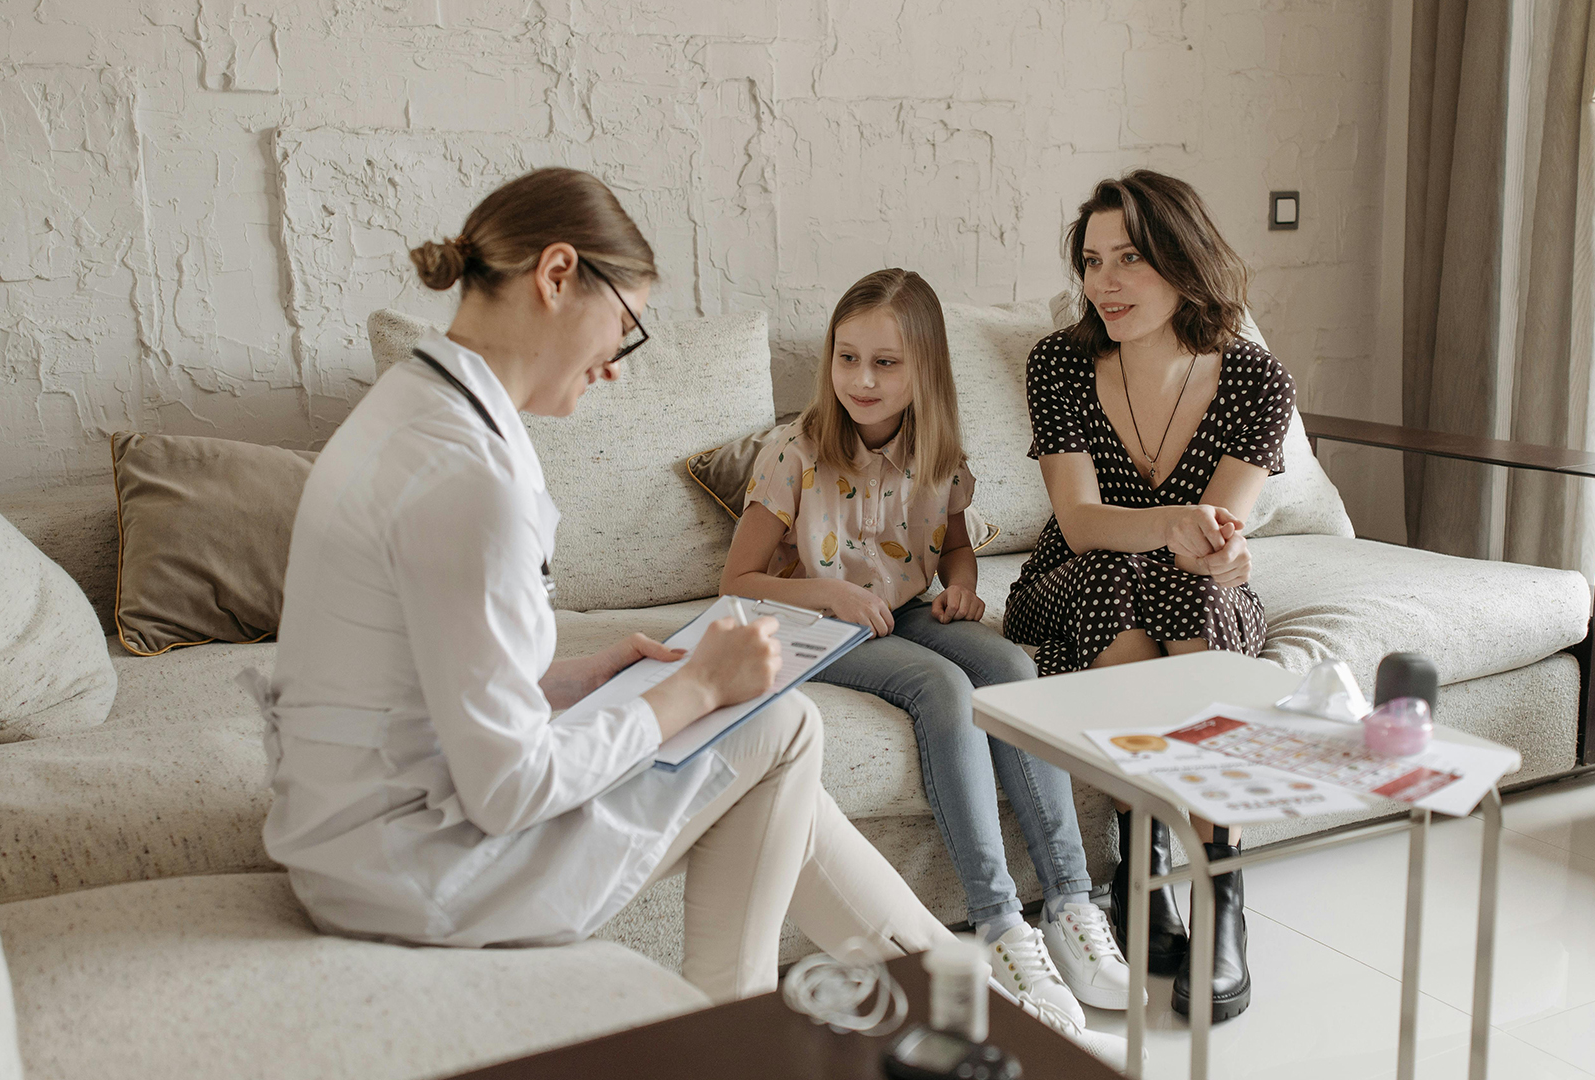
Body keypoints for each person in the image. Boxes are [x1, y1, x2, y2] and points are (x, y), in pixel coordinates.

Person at [246, 168, 960, 1005]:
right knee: (781, 724)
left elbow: (417, 680)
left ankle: (954, 988)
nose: (618, 368)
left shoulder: (410, 407)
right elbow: (511, 788)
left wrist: (575, 681)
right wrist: (693, 689)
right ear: (556, 276)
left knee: (764, 750)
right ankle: (760, 1027)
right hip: (423, 872)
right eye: (624, 327)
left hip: (360, 841)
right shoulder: (468, 479)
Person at [720, 269, 1135, 1025]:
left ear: (926, 369)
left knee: (1010, 665)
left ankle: (1072, 906)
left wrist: (963, 589)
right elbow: (738, 581)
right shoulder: (793, 452)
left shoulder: (937, 451)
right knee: (942, 688)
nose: (862, 380)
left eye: (886, 363)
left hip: (905, 610)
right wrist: (832, 594)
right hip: (815, 623)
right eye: (848, 358)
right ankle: (999, 921)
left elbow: (954, 550)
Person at [1002, 170, 1296, 1023]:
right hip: (1072, 582)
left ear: (1183, 258)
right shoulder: (1059, 363)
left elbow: (1220, 536)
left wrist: (1224, 555)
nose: (1106, 282)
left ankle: (1214, 890)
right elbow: (1081, 524)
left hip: (1192, 595)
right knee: (1114, 570)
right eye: (1093, 262)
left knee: (1189, 590)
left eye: (1129, 258)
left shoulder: (1256, 380)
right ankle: (1147, 853)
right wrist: (1175, 524)